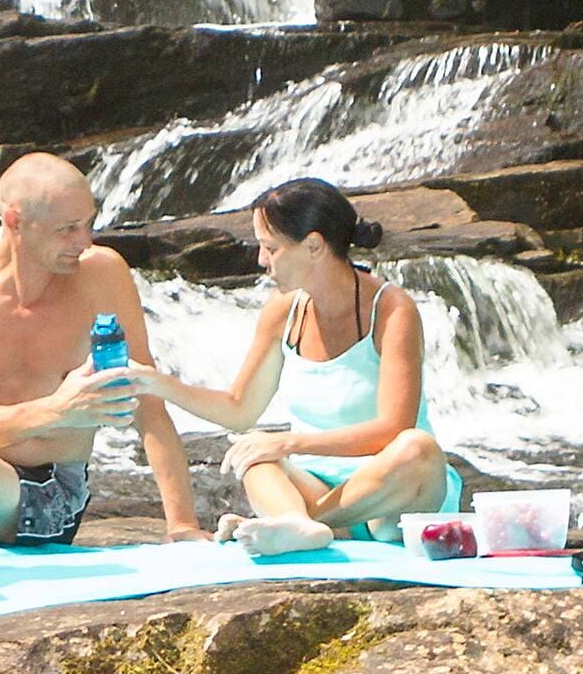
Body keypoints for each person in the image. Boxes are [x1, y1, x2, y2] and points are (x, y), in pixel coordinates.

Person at [0, 150, 203, 544]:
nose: (84, 241)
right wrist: (58, 410)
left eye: (88, 223)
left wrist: (182, 523)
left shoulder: (103, 275)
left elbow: (148, 404)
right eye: (67, 229)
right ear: (15, 220)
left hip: (44, 492)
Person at [174, 175, 460, 538]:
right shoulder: (282, 312)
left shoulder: (391, 309)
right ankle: (299, 526)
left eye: (271, 248)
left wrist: (291, 442)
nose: (262, 260)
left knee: (418, 448)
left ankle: (303, 524)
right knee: (257, 457)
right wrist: (153, 383)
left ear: (313, 246)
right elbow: (238, 408)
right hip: (317, 486)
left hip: (395, 497)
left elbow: (393, 428)